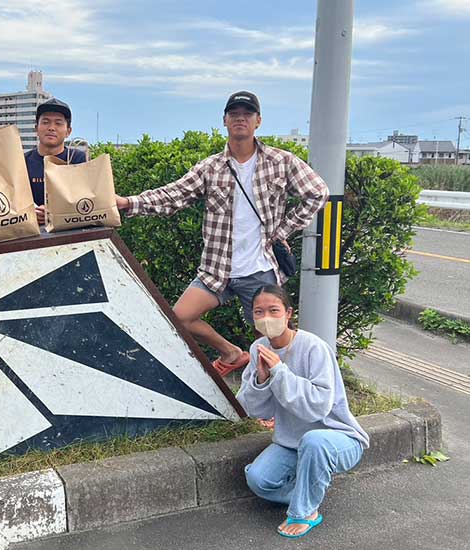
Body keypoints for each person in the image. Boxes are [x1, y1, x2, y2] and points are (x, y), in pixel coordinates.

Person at [116, 91, 328, 376]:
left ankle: (274, 395)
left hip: (260, 269)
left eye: (247, 114)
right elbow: (174, 194)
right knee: (181, 318)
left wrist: (282, 231)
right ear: (225, 120)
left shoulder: (281, 161)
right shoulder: (211, 167)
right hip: (217, 268)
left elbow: (318, 192)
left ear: (258, 121)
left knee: (270, 340)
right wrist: (128, 202)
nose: (241, 118)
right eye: (234, 114)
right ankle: (231, 353)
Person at [236, 285, 369, 539]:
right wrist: (261, 381)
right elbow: (255, 409)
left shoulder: (314, 347)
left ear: (288, 313)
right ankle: (309, 487)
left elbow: (319, 406)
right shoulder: (258, 348)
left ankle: (305, 511)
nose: (266, 318)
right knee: (258, 480)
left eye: (273, 310)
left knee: (314, 441)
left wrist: (280, 372)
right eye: (259, 312)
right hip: (291, 443)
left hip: (338, 438)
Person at [24, 97, 86, 224]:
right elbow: (13, 200)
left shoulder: (78, 159)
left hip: (70, 230)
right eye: (45, 122)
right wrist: (29, 213)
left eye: (58, 123)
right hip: (31, 231)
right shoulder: (22, 162)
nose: (51, 128)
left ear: (68, 131)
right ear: (36, 128)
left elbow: (88, 198)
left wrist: (55, 211)